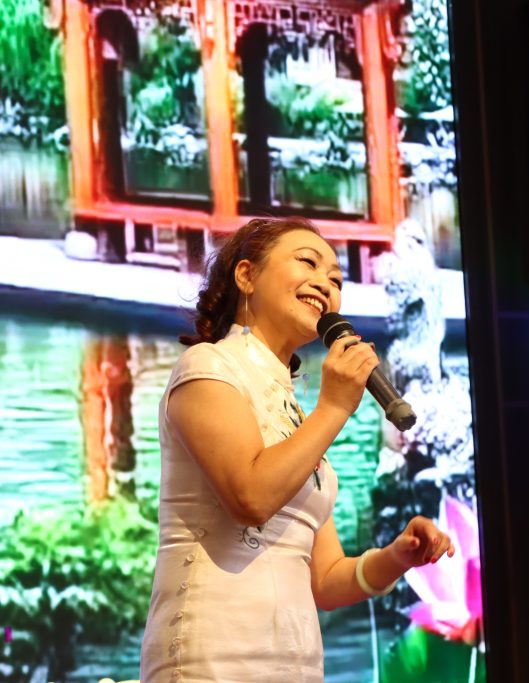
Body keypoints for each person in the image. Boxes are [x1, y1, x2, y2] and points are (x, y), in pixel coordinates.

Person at [139, 217, 454, 682]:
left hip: (295, 663)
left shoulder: (296, 415)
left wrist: (398, 556)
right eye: (307, 262)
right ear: (246, 275)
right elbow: (250, 498)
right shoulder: (207, 366)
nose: (325, 284)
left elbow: (325, 579)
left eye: (336, 280)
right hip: (213, 657)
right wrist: (335, 406)